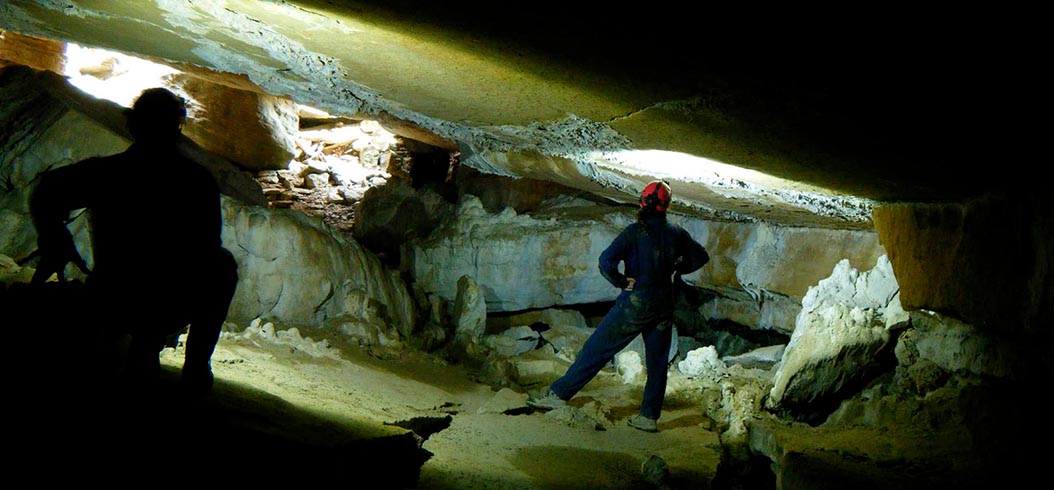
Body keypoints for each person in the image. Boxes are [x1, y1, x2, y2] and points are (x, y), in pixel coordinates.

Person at [29, 87, 238, 395]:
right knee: (222, 265)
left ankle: (139, 350)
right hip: (172, 300)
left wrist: (55, 241)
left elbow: (46, 190)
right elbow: (209, 247)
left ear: (132, 125)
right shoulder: (196, 181)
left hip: (114, 295)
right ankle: (195, 364)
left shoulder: (107, 172)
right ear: (177, 128)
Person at [526, 180, 709, 432]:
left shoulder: (635, 232)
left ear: (642, 203)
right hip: (663, 305)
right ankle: (648, 417)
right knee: (657, 364)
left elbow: (605, 262)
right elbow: (701, 257)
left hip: (636, 303)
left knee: (596, 349)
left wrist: (621, 281)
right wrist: (678, 268)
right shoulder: (676, 233)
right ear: (666, 206)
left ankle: (558, 394)